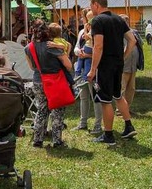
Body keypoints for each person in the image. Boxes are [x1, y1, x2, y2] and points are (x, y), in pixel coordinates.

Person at [87, 0, 137, 145]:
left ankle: (108, 135)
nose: (91, 8)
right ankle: (129, 126)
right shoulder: (118, 19)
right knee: (118, 95)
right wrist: (123, 55)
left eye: (91, 5)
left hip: (105, 65)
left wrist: (93, 69)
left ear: (96, 4)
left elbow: (98, 45)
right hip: (118, 63)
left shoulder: (97, 21)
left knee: (105, 100)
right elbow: (132, 40)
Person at [25, 20, 72, 148]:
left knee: (41, 109)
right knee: (57, 110)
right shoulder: (52, 46)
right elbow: (68, 66)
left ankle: (38, 139)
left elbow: (32, 67)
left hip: (38, 81)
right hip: (54, 80)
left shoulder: (28, 48)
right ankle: (57, 141)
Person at [73, 10, 102, 134]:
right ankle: (83, 122)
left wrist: (88, 56)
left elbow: (100, 52)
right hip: (82, 67)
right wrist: (79, 52)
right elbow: (76, 47)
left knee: (95, 97)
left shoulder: (99, 33)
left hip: (93, 69)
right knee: (83, 97)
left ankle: (97, 125)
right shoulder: (81, 32)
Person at [119, 14, 142, 111]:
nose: (126, 23)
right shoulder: (118, 34)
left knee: (131, 88)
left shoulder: (134, 32)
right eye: (124, 21)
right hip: (124, 65)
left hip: (133, 65)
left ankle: (127, 107)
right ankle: (120, 109)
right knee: (122, 87)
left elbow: (140, 44)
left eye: (127, 21)